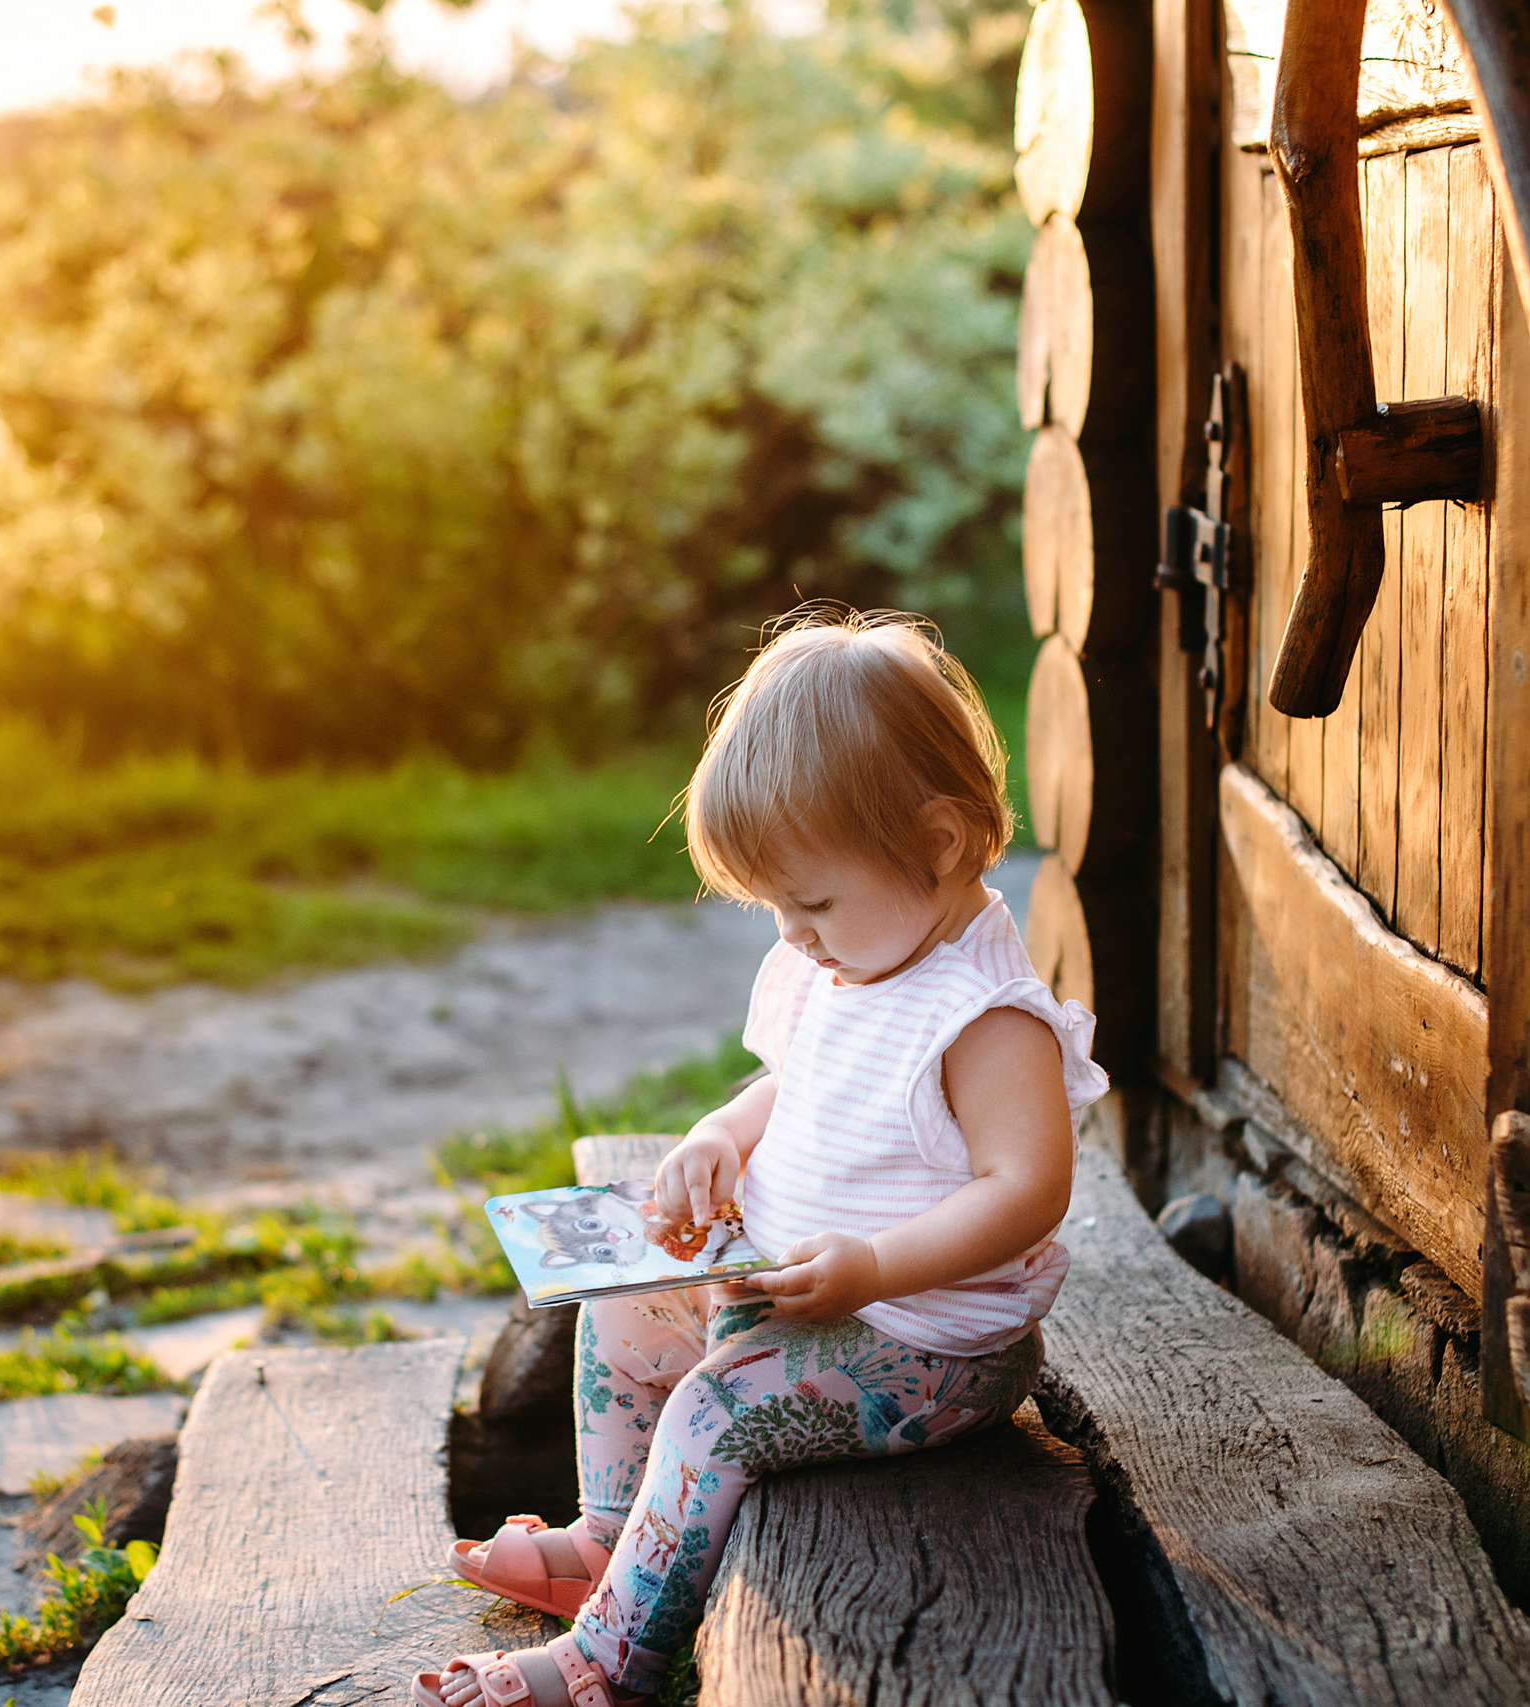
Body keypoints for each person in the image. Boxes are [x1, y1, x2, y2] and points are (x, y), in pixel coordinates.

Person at [415, 608, 1108, 1707]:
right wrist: (715, 1138)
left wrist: (872, 1269)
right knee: (624, 1311)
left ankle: (611, 1663)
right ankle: (609, 1537)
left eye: (814, 900)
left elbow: (1026, 1190)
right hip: (802, 1297)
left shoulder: (986, 1016)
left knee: (712, 1410)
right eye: (776, 906)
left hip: (925, 1350)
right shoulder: (850, 961)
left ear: (935, 846)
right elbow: (799, 1085)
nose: (794, 934)